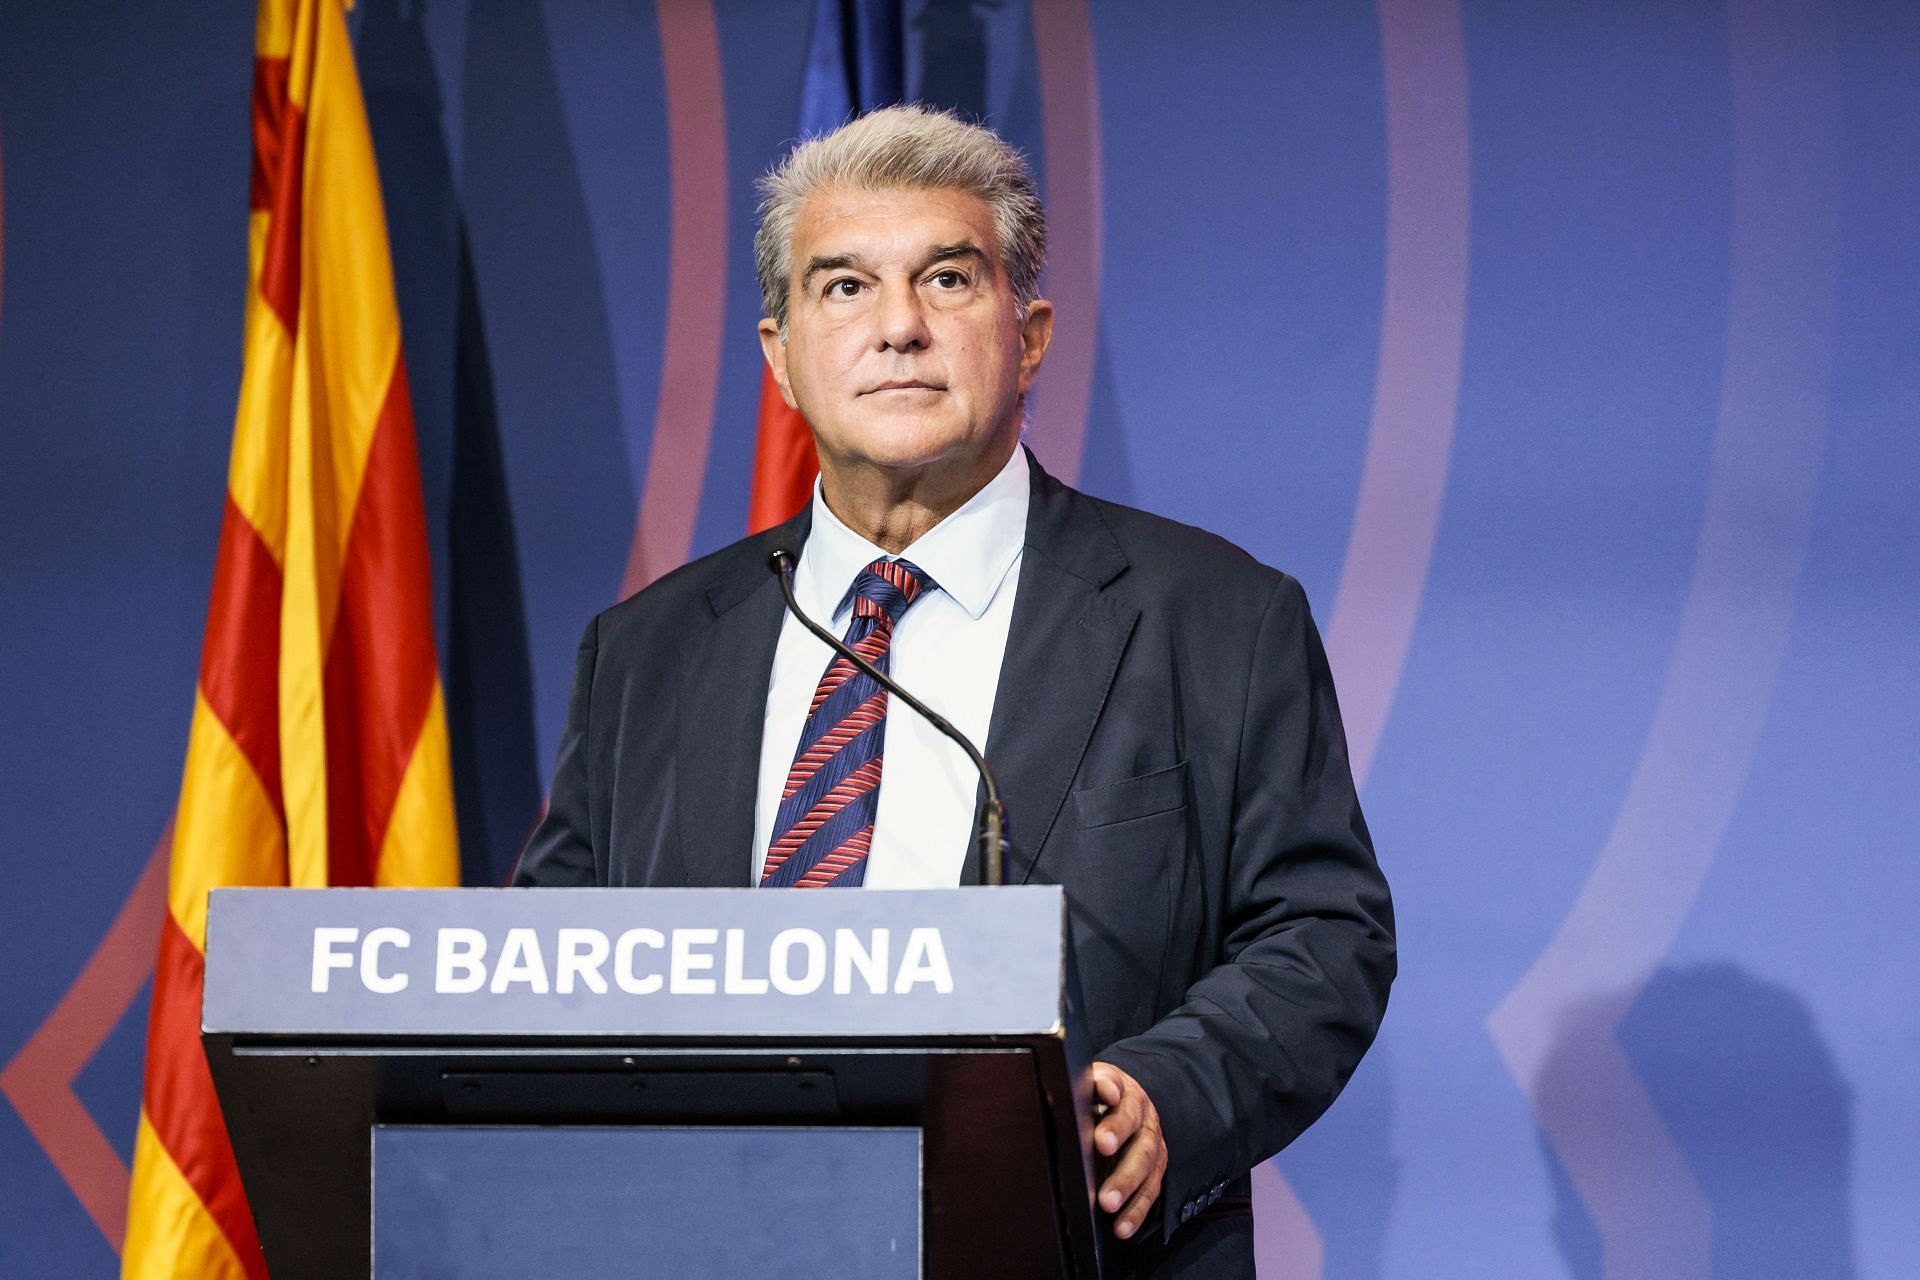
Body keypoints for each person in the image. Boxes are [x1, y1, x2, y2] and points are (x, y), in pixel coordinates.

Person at [515, 104, 1395, 1279]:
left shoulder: (1214, 618)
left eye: (945, 277)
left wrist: (1168, 1092)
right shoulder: (648, 650)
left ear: (1028, 334)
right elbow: (552, 956)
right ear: (778, 357)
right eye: (843, 288)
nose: (898, 329)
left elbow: (1322, 930)